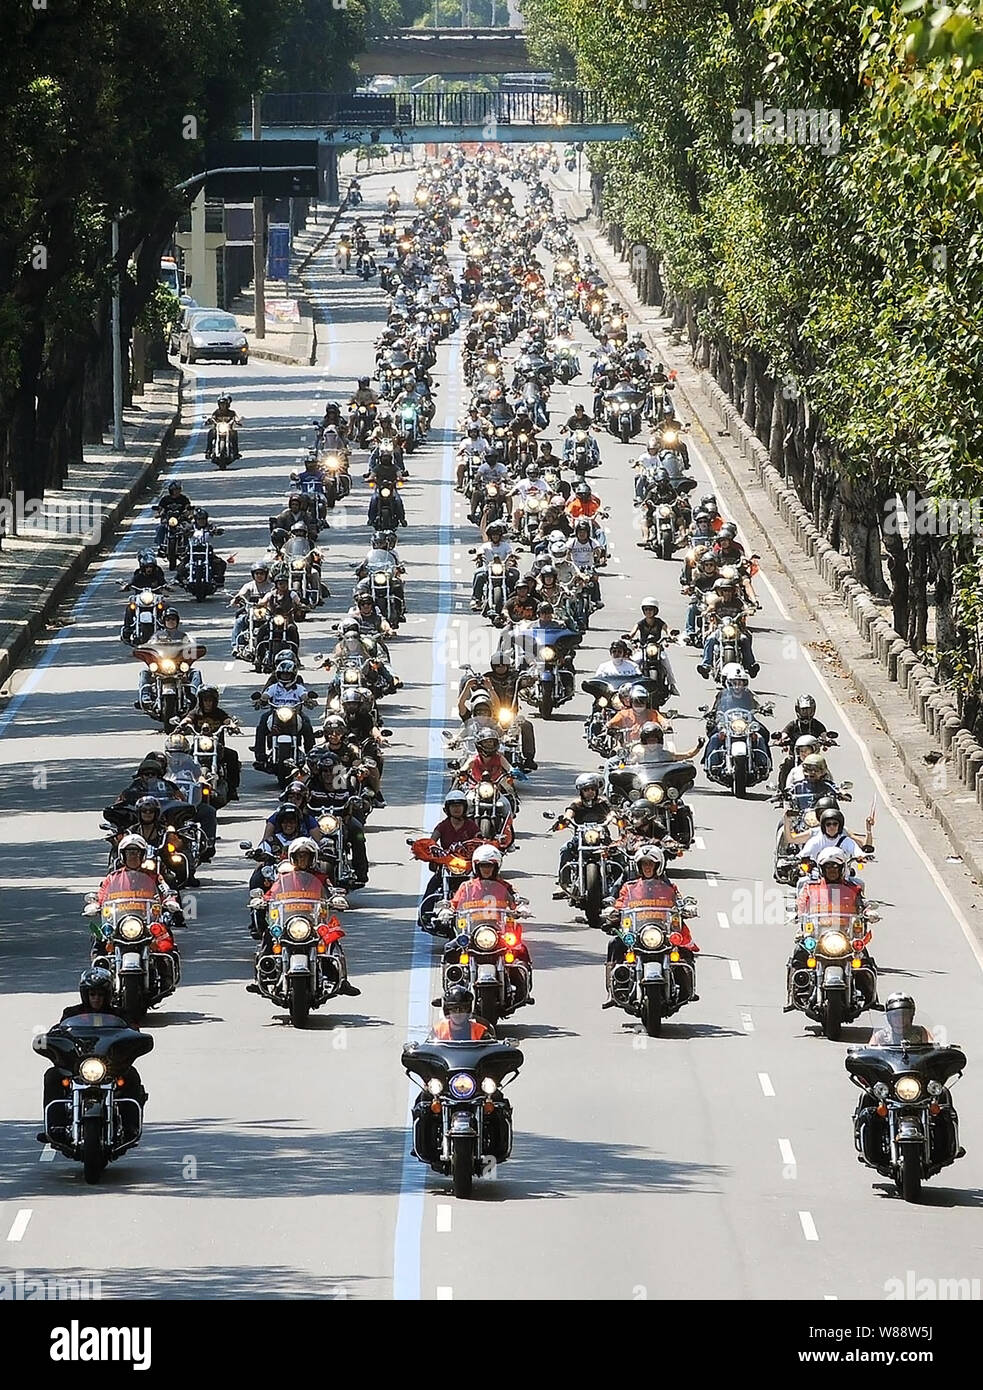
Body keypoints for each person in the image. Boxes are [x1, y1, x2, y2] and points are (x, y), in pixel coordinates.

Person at [36, 968, 148, 1146]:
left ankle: (130, 1126)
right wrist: (49, 1041)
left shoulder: (119, 1014)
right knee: (52, 1076)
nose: (96, 998)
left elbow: (133, 1032)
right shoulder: (71, 1014)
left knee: (131, 1076)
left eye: (101, 994)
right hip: (78, 1065)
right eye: (92, 994)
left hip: (110, 1065)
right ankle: (55, 1126)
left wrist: (136, 1040)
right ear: (85, 994)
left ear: (109, 994)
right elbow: (58, 1032)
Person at [602, 846, 698, 1008]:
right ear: (639, 866)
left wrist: (686, 909)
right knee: (614, 944)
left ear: (658, 866)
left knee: (684, 950)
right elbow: (620, 904)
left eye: (651, 864)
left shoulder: (669, 887)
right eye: (644, 863)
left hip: (662, 932)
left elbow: (679, 903)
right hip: (637, 931)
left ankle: (688, 988)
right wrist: (614, 913)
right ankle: (613, 990)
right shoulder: (630, 887)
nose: (647, 867)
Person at [182, 685, 241, 800]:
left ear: (215, 702)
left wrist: (232, 725)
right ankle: (182, 786)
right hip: (198, 747)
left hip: (216, 746)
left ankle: (232, 788)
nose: (208, 703)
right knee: (184, 759)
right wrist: (182, 724)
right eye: (205, 700)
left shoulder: (219, 713)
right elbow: (188, 719)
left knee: (233, 756)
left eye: (210, 701)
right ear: (201, 701)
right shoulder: (196, 713)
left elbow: (227, 720)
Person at [696, 576, 758, 678]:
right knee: (710, 639)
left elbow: (745, 607)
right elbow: (711, 607)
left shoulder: (738, 602)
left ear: (733, 591)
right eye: (725, 590)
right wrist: (706, 612)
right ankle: (706, 665)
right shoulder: (717, 601)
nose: (727, 593)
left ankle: (750, 665)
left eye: (729, 590)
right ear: (721, 592)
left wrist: (749, 610)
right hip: (720, 629)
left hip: (736, 629)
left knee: (745, 639)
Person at [229, 561, 272, 655]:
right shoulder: (249, 586)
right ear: (253, 575)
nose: (259, 575)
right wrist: (235, 600)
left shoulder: (272, 587)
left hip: (268, 613)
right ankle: (236, 646)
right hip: (251, 613)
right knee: (239, 621)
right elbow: (241, 594)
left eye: (262, 573)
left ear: (266, 574)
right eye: (257, 573)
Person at [428, 984, 494, 1041]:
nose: (458, 1013)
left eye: (462, 1009)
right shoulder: (438, 1031)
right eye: (454, 1009)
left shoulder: (480, 1031)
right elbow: (428, 1051)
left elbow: (492, 1051)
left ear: (469, 1009)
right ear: (447, 1010)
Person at [205, 395, 240, 460]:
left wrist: (238, 421)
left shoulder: (231, 413)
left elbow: (236, 418)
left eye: (224, 404)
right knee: (211, 432)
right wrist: (209, 421)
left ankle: (236, 452)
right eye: (221, 404)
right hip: (218, 429)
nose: (222, 405)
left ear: (227, 404)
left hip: (228, 429)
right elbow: (212, 418)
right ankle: (208, 451)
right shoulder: (216, 412)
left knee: (234, 433)